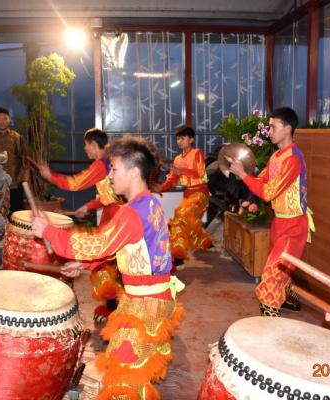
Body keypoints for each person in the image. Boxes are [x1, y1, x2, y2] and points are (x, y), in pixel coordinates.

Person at [32, 136, 184, 399]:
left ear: (133, 171)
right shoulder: (149, 203)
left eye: (114, 168)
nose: (109, 175)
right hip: (151, 299)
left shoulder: (130, 213)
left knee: (125, 379)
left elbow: (98, 244)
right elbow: (124, 246)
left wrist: (48, 231)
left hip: (145, 305)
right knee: (126, 367)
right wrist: (84, 263)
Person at [229, 107, 314, 317]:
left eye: (273, 127)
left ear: (288, 128)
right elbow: (262, 180)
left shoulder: (292, 159)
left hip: (294, 225)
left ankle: (268, 327)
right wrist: (243, 173)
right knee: (281, 269)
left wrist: (243, 175)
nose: (269, 131)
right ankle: (289, 301)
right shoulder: (276, 156)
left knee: (271, 275)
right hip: (280, 222)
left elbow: (268, 193)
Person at [38, 128, 124, 323]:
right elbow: (110, 195)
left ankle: (113, 307)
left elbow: (75, 183)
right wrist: (89, 206)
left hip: (115, 216)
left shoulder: (101, 164)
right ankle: (115, 304)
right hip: (116, 212)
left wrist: (49, 176)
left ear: (93, 144)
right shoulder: (109, 162)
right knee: (112, 261)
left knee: (101, 261)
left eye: (86, 145)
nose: (85, 149)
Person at [157, 126, 213, 266]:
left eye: (183, 138)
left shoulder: (197, 153)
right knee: (188, 219)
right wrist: (158, 188)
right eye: (178, 139)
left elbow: (200, 173)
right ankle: (204, 241)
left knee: (180, 217)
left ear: (191, 139)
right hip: (188, 194)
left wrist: (180, 171)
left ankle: (179, 254)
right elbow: (171, 180)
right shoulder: (177, 159)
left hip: (200, 193)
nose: (179, 141)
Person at [0, 107, 29, 213]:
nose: (2, 121)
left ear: (10, 119)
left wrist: (23, 178)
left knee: (15, 213)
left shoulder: (17, 137)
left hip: (15, 183)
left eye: (5, 118)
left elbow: (24, 159)